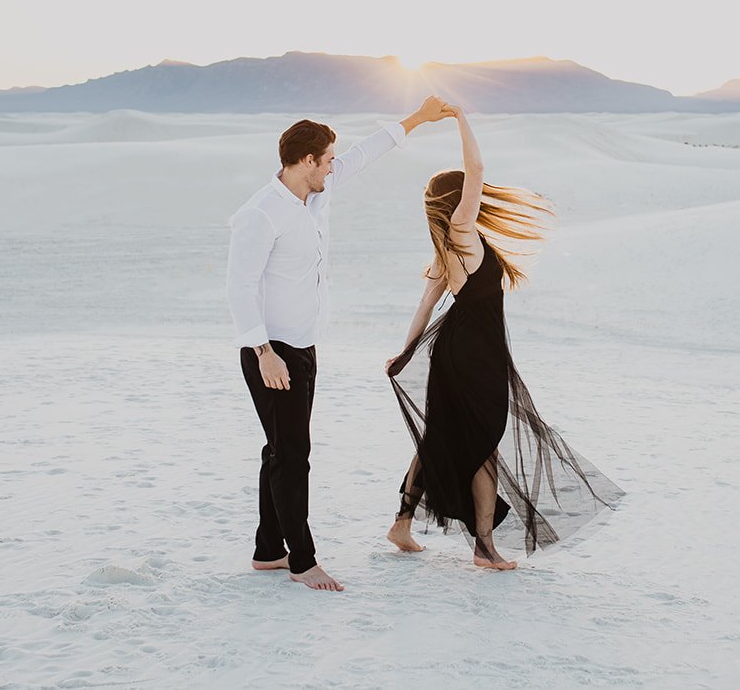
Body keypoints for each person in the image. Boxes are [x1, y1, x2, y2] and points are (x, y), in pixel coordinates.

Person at [227, 97, 451, 592]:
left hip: (303, 346)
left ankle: (269, 550)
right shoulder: (261, 214)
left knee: (280, 450)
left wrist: (418, 118)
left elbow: (366, 155)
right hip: (272, 351)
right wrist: (265, 354)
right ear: (306, 161)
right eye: (328, 159)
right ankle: (302, 561)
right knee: (293, 454)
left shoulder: (315, 195)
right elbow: (239, 287)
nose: (334, 166)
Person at [385, 104, 622, 569]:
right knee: (485, 445)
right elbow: (477, 168)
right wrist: (458, 117)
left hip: (456, 352)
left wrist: (407, 351)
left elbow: (426, 305)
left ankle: (403, 523)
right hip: (475, 356)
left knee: (441, 438)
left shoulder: (446, 246)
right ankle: (484, 549)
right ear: (460, 201)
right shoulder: (462, 231)